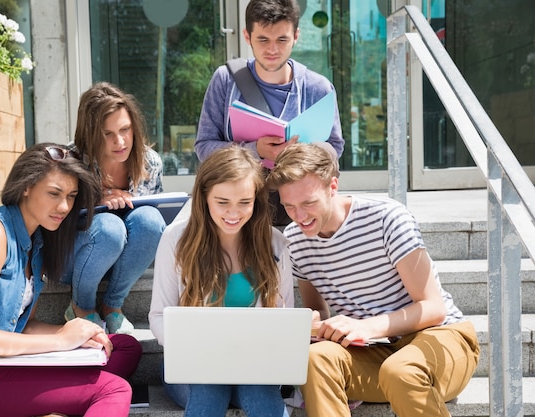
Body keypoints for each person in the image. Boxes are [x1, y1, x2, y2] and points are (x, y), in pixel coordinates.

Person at [0, 143, 143, 417]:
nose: (65, 206)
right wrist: (62, 340)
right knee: (114, 389)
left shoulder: (38, 242)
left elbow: (23, 326)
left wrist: (76, 333)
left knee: (122, 347)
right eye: (54, 194)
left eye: (71, 196)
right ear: (26, 187)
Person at [266, 142, 480, 417]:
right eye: (289, 206)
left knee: (401, 371)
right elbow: (318, 311)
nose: (300, 216)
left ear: (332, 187)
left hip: (441, 339)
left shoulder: (386, 217)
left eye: (308, 203)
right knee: (316, 360)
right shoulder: (295, 239)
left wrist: (367, 326)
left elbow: (433, 308)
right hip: (374, 352)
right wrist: (312, 323)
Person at [149, 145, 294, 417]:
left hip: (253, 367)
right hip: (192, 366)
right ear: (204, 197)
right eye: (222, 202)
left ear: (256, 199)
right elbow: (158, 315)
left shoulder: (274, 244)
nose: (233, 213)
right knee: (209, 389)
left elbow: (284, 320)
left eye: (244, 202)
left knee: (261, 392)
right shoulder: (175, 240)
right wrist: (192, 347)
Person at [194, 0, 344, 225]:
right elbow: (204, 146)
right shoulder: (226, 80)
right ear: (247, 36)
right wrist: (255, 151)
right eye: (263, 39)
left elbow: (334, 149)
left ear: (296, 36)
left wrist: (301, 154)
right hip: (240, 202)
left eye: (282, 39)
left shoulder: (318, 88)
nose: (272, 49)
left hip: (295, 204)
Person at [61, 82, 166, 334]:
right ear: (90, 135)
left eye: (125, 129)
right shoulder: (69, 161)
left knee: (151, 220)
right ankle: (80, 308)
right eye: (107, 134)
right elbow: (52, 222)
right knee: (109, 227)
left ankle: (112, 307)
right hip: (75, 259)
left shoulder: (150, 163)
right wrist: (95, 201)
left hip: (125, 261)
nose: (119, 141)